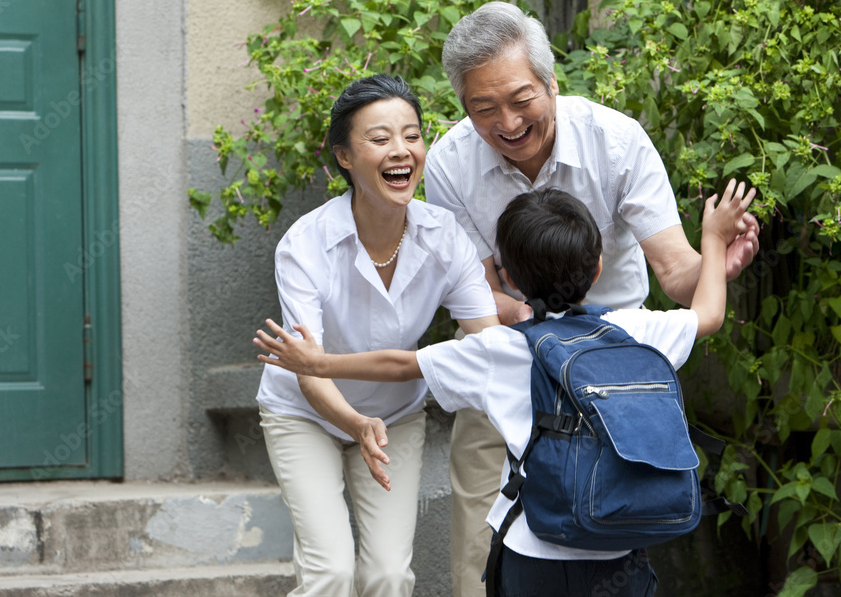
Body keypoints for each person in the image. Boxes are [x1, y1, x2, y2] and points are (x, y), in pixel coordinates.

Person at [255, 181, 757, 597]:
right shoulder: (638, 330)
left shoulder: (501, 349)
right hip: (621, 545)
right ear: (598, 267)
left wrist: (318, 361)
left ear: (511, 279)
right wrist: (712, 240)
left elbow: (400, 365)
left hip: (533, 548)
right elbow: (708, 313)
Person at [425, 1, 761, 595]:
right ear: (464, 106)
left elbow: (677, 272)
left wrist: (716, 264)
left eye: (520, 99)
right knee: (482, 536)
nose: (505, 122)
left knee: (614, 532)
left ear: (552, 83)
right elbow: (479, 295)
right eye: (483, 108)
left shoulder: (616, 142)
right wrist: (543, 327)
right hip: (505, 351)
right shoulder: (450, 162)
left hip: (615, 369)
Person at [255, 73, 499, 596]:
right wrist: (354, 422)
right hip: (305, 415)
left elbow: (488, 340)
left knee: (389, 574)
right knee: (330, 571)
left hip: (395, 416)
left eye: (412, 135)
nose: (402, 150)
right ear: (344, 156)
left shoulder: (444, 237)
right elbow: (307, 367)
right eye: (380, 138)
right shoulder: (305, 245)